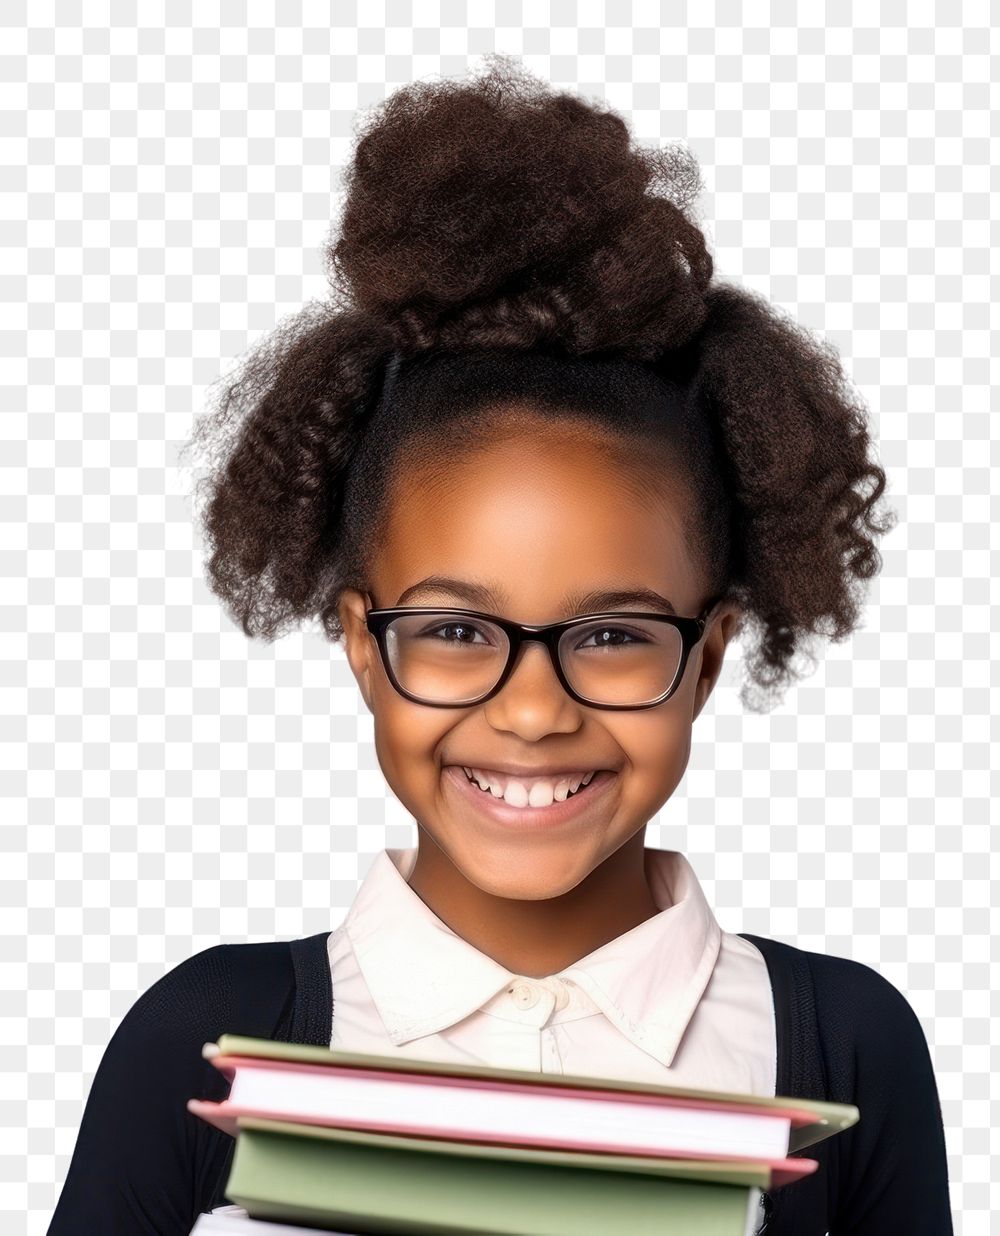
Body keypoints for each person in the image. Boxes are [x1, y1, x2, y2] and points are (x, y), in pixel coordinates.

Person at [48, 55, 952, 1235]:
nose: (532, 711)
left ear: (712, 653)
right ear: (364, 648)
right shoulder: (210, 1038)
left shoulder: (840, 1042)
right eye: (458, 631)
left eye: (616, 634)